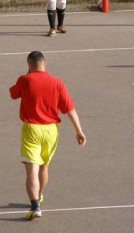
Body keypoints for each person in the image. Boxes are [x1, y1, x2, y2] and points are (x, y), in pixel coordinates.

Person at [9, 51, 86, 220]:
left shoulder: (25, 79)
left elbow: (13, 94)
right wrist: (78, 130)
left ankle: (35, 206)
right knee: (44, 167)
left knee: (31, 170)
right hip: (51, 130)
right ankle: (40, 195)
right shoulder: (57, 82)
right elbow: (69, 109)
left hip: (32, 129)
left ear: (30, 65)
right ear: (45, 63)